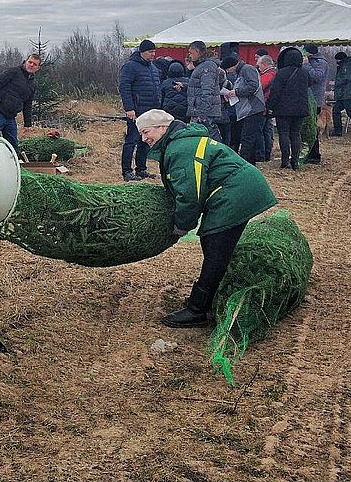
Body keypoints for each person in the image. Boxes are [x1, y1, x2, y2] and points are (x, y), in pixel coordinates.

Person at [137, 109, 277, 327]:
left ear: (162, 127)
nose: (144, 139)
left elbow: (190, 193)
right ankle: (207, 298)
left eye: (146, 132)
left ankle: (197, 310)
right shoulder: (179, 143)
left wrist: (181, 227)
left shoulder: (181, 148)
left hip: (235, 193)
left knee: (215, 249)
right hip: (235, 189)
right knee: (216, 249)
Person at [118, 40, 162, 181]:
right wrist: (129, 108)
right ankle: (127, 172)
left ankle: (141, 169)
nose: (153, 54)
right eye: (150, 52)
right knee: (132, 141)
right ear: (142, 52)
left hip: (150, 111)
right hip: (136, 111)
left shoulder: (153, 68)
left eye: (154, 52)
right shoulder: (130, 67)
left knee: (145, 141)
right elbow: (124, 87)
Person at [266, 46, 310, 170]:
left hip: (283, 109)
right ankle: (295, 161)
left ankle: (285, 161)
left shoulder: (281, 73)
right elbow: (310, 83)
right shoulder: (305, 73)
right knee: (296, 134)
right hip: (301, 108)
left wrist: (270, 107)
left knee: (284, 134)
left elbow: (275, 92)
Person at [0, 54, 40, 152]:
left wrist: (27, 124)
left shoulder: (33, 84)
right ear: (25, 61)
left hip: (10, 117)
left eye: (34, 64)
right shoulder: (13, 72)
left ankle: (11, 164)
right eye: (30, 62)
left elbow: (28, 104)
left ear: (38, 68)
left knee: (12, 145)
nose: (31, 65)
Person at [219, 55, 266, 164]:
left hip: (253, 110)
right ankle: (250, 162)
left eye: (227, 69)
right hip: (247, 110)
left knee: (247, 138)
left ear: (232, 66)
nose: (228, 72)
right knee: (248, 138)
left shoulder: (247, 69)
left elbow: (253, 86)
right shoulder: (241, 71)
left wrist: (236, 92)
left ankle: (245, 163)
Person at [183, 40, 223, 141]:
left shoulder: (207, 66)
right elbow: (200, 86)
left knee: (205, 138)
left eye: (191, 53)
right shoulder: (203, 65)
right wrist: (184, 86)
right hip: (200, 110)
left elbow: (208, 90)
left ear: (197, 51)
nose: (190, 56)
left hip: (202, 111)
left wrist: (202, 112)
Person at [301, 44, 328, 164]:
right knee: (307, 127)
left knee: (311, 128)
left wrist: (306, 65)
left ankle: (314, 155)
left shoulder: (320, 62)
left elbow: (318, 77)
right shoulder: (312, 61)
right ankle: (307, 153)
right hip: (307, 98)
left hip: (315, 100)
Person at [256, 55, 278, 161]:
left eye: (259, 66)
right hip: (270, 106)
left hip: (264, 105)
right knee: (268, 131)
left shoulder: (268, 75)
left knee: (261, 131)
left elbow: (259, 87)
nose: (259, 69)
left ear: (264, 65)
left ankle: (262, 155)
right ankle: (267, 154)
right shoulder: (275, 73)